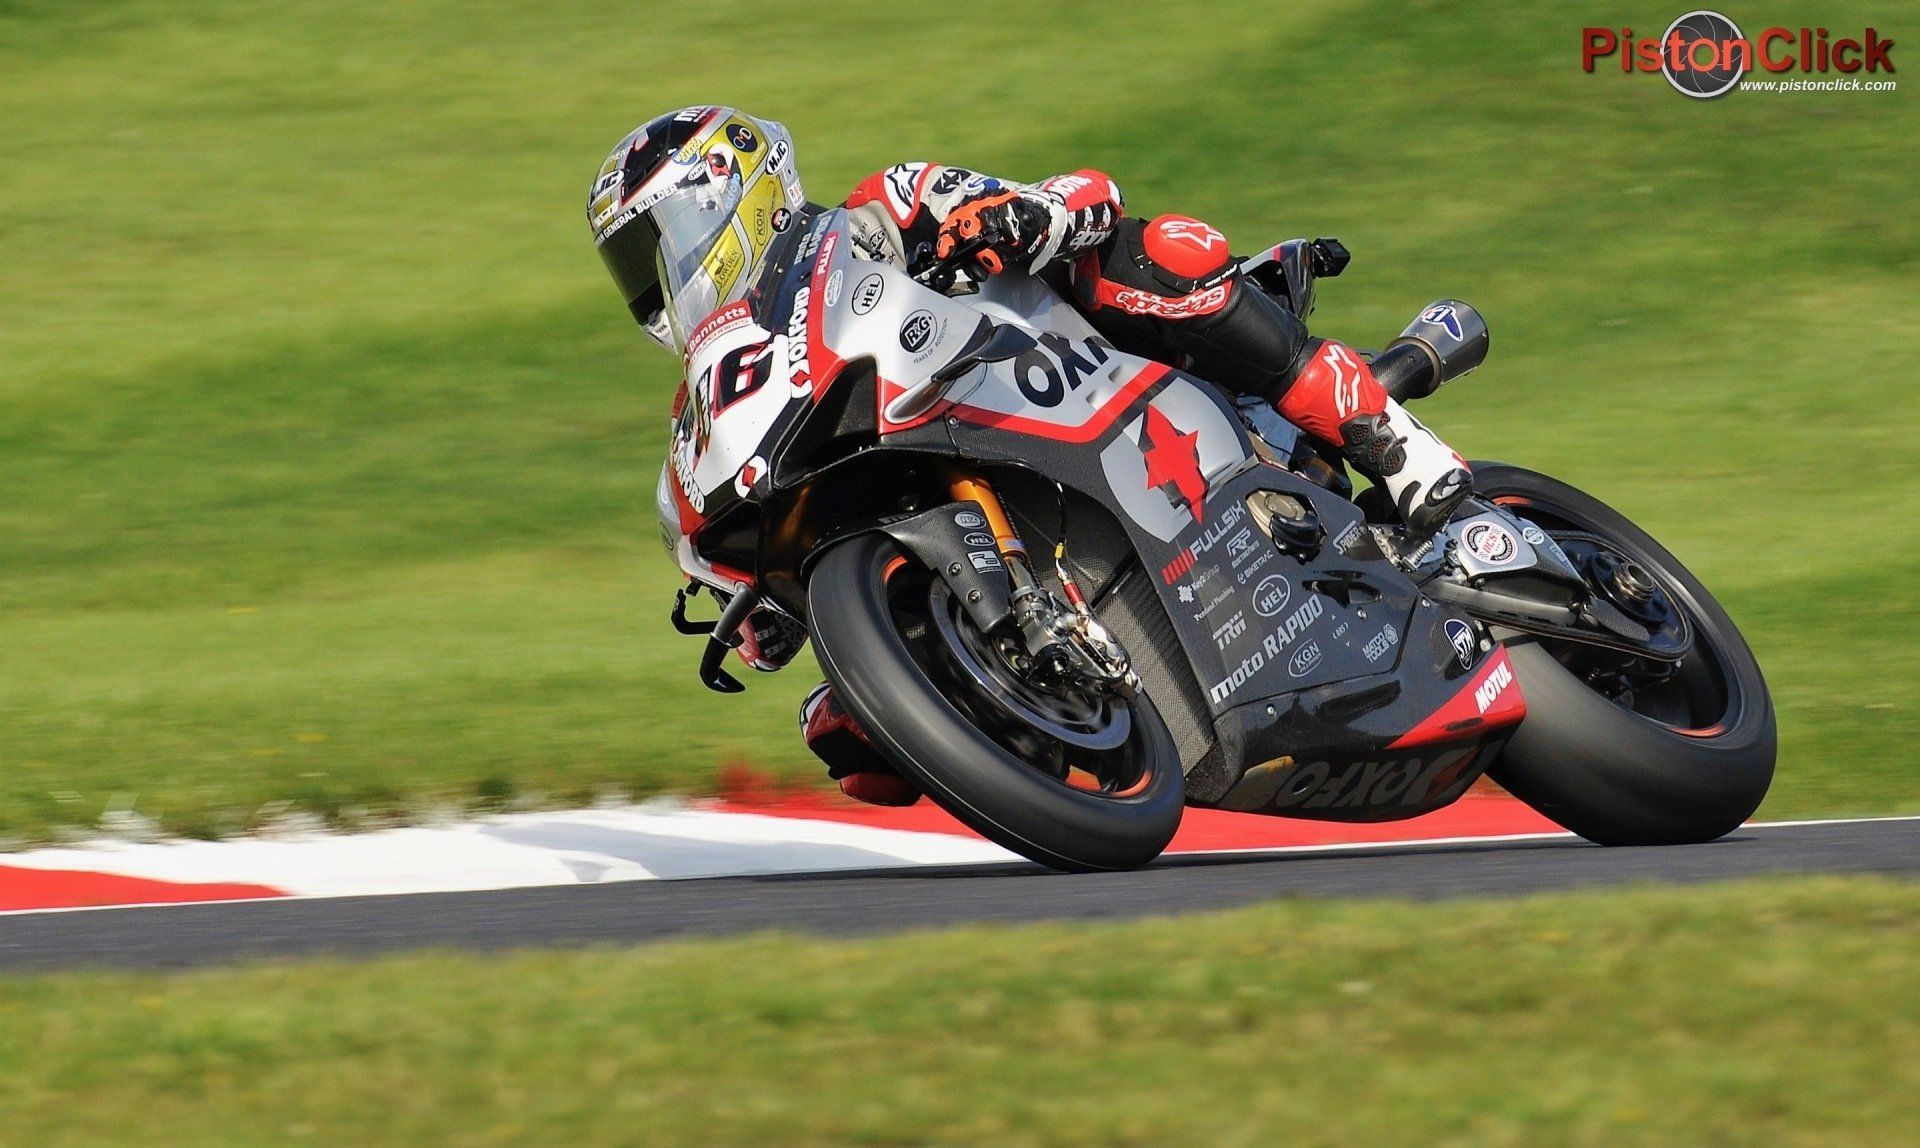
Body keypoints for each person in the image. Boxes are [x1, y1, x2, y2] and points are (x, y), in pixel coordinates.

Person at [591, 106, 1474, 805]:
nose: (660, 274)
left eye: (663, 236)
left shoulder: (878, 209)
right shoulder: (709, 409)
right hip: (990, 492)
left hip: (1103, 378)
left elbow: (1086, 194)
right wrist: (768, 603)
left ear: (736, 196)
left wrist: (1015, 219)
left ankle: (1390, 439)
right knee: (850, 740)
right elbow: (745, 585)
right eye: (638, 262)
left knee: (1162, 254)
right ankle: (1024, 700)